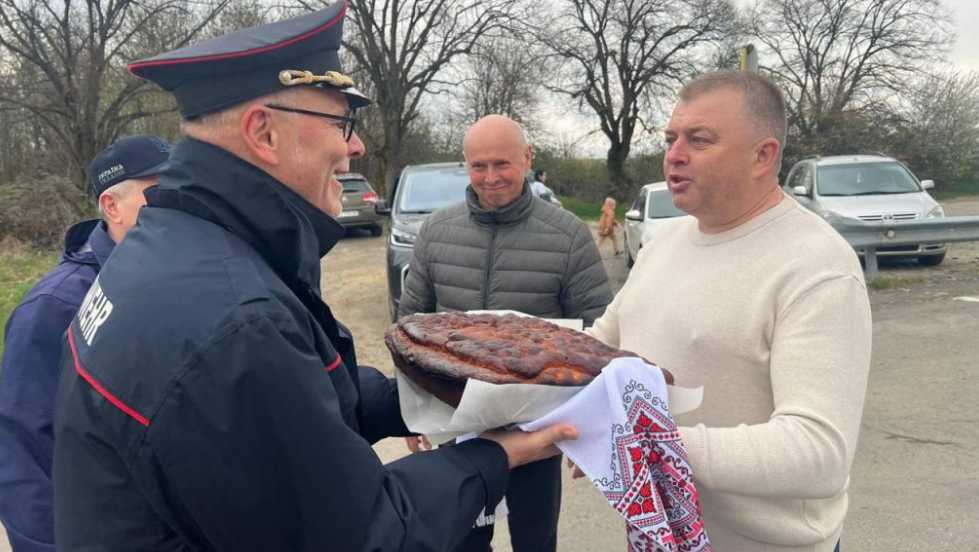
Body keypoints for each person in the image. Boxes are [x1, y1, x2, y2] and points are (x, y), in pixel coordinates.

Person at [51, 5, 575, 552]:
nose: (356, 147)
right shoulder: (237, 324)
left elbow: (303, 404)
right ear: (264, 132)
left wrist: (443, 395)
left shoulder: (171, 246)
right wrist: (498, 454)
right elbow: (365, 533)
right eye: (341, 122)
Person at [584, 70, 871, 551]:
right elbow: (601, 346)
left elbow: (820, 453)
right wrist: (526, 391)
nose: (674, 155)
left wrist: (647, 445)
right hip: (659, 535)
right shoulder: (663, 243)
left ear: (763, 155)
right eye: (672, 138)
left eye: (699, 140)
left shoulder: (818, 265)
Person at [398, 114, 612, 552]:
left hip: (535, 426)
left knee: (535, 539)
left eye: (502, 164)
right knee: (460, 539)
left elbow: (597, 333)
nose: (490, 178)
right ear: (466, 165)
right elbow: (410, 327)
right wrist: (411, 409)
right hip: (456, 421)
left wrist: (591, 424)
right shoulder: (436, 231)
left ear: (528, 159)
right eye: (479, 166)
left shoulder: (567, 235)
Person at [0, 135, 170, 552]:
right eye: (159, 193)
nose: (175, 203)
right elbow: (23, 446)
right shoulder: (55, 306)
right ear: (111, 206)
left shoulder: (176, 274)